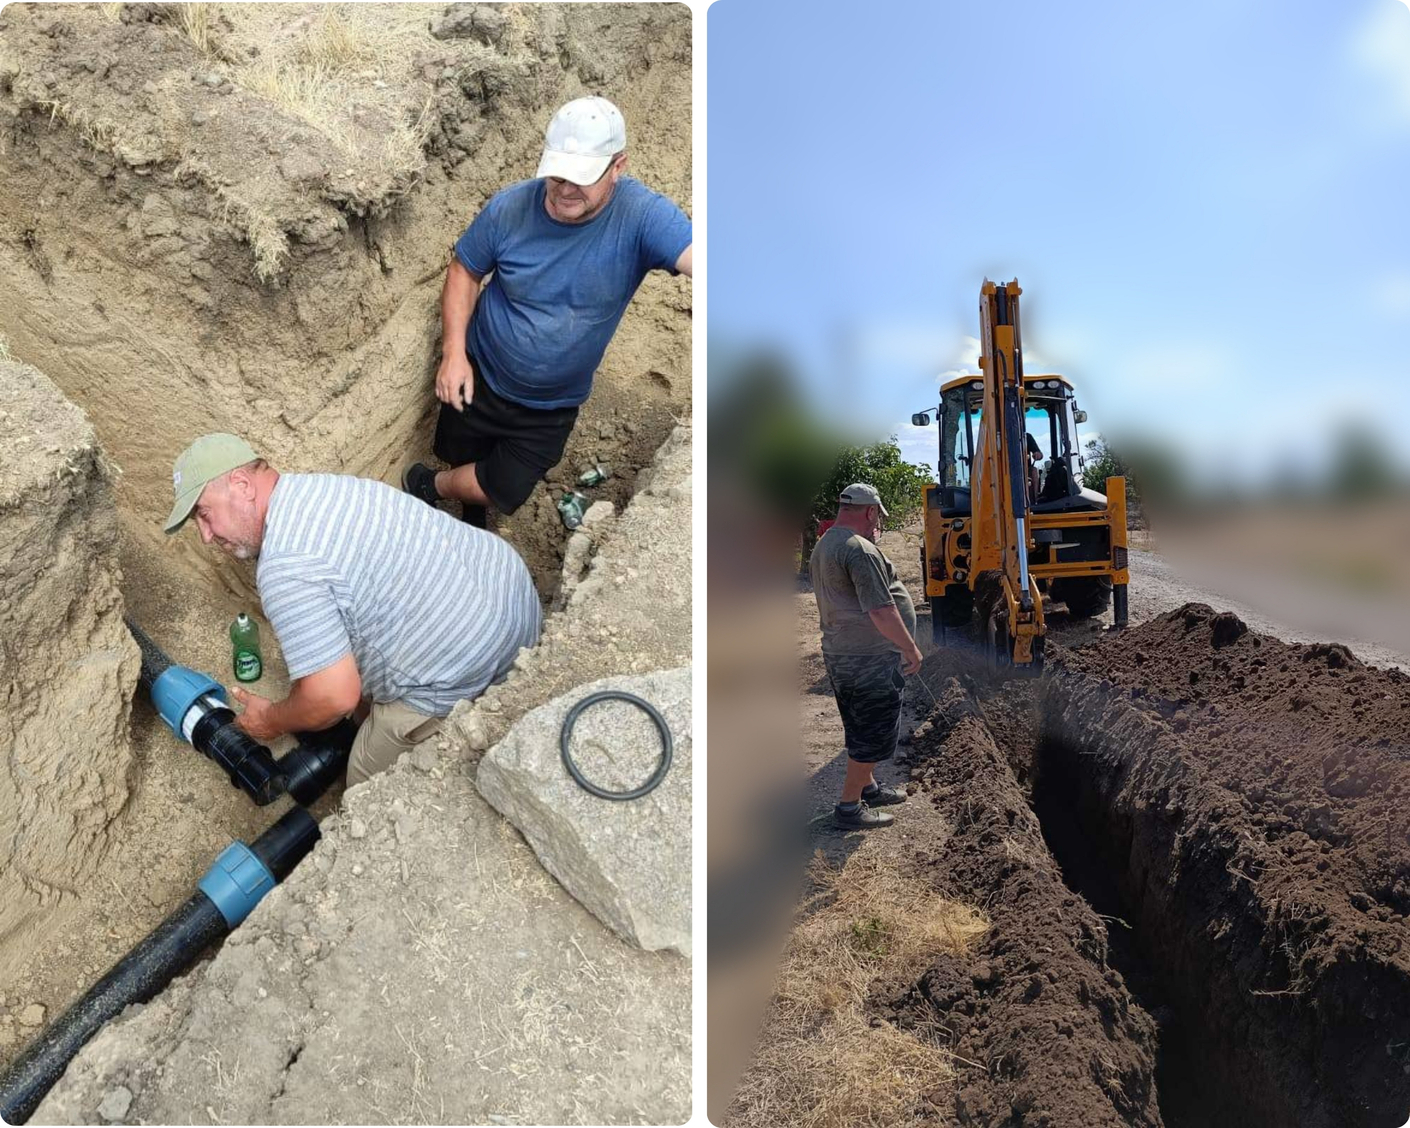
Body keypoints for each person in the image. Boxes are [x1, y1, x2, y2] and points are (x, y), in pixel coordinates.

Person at [164, 433, 542, 786]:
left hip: (472, 661)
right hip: (511, 591)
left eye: (204, 514)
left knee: (363, 780)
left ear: (242, 486)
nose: (206, 536)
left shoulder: (285, 565)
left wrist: (272, 720)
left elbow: (333, 697)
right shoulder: (316, 489)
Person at [401, 95, 693, 527]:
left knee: (503, 486)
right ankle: (468, 512)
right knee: (461, 453)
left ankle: (433, 485)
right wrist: (454, 354)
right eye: (557, 174)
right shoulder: (509, 209)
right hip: (482, 373)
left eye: (582, 177)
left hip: (550, 406)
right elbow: (465, 270)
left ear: (618, 167)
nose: (565, 189)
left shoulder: (642, 217)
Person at [808, 483, 924, 829]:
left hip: (842, 653)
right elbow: (881, 610)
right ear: (871, 511)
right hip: (869, 658)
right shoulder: (859, 549)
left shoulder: (825, 544)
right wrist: (909, 647)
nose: (878, 523)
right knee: (873, 732)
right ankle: (848, 808)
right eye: (878, 516)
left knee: (859, 724)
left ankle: (868, 788)